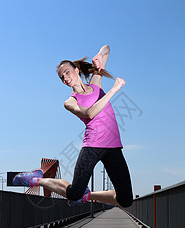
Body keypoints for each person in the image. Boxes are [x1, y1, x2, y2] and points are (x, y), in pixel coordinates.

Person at [13, 45, 133, 208]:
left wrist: (99, 55)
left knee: (125, 199)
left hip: (113, 146)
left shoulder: (96, 84)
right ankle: (37, 179)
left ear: (76, 70)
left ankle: (87, 196)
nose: (65, 78)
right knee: (74, 192)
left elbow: (107, 49)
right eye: (62, 77)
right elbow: (90, 113)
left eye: (67, 72)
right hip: (92, 146)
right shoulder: (70, 102)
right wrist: (113, 90)